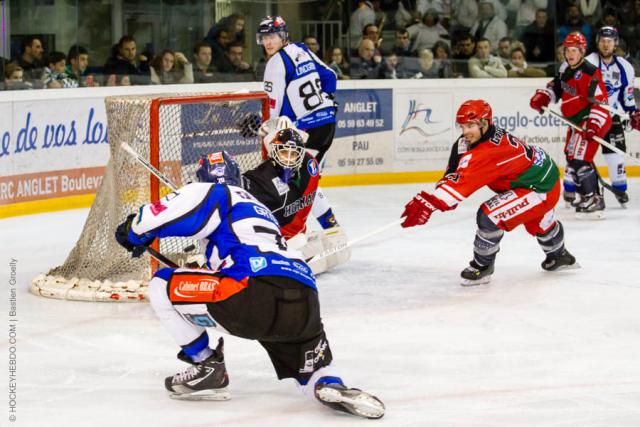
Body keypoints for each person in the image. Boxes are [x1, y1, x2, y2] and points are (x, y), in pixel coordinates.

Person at [113, 151, 384, 419]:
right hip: (303, 292)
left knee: (162, 285)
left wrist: (134, 233)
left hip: (251, 289)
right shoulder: (260, 208)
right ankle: (327, 383)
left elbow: (152, 218)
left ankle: (206, 365)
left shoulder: (213, 192)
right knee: (310, 363)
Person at [400, 100, 577, 286]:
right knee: (539, 223)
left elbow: (458, 186)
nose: (465, 132)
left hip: (540, 188)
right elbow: (453, 175)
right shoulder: (466, 143)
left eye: (470, 126)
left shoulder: (489, 151)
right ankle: (559, 256)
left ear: (485, 123)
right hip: (535, 179)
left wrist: (430, 203)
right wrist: (435, 200)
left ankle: (482, 267)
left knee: (489, 216)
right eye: (462, 126)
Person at [257, 15, 342, 230]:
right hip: (327, 123)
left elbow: (273, 109)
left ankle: (297, 232)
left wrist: (263, 126)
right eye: (264, 37)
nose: (268, 42)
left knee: (297, 180)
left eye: (272, 36)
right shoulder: (301, 49)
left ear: (283, 35)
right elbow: (330, 76)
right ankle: (330, 227)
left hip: (306, 129)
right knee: (306, 177)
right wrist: (325, 101)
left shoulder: (275, 63)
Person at [243, 118, 351, 274]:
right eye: (283, 151)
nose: (288, 157)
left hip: (298, 239)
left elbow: (314, 193)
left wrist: (332, 226)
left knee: (332, 245)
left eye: (293, 153)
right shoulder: (262, 177)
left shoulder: (309, 164)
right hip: (274, 245)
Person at [530, 32, 612, 219]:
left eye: (574, 50)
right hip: (577, 124)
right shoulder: (565, 68)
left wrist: (593, 124)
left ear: (582, 51)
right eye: (567, 50)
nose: (570, 53)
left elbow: (600, 101)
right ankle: (587, 196)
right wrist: (545, 96)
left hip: (591, 121)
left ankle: (594, 199)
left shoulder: (591, 72)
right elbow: (556, 87)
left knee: (580, 159)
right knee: (572, 156)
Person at [584, 26, 640, 206]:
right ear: (597, 42)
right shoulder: (588, 62)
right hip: (589, 116)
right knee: (580, 156)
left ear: (615, 43)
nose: (606, 44)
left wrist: (633, 113)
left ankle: (620, 190)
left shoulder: (625, 67)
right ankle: (576, 191)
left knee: (615, 155)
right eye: (602, 41)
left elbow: (627, 95)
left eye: (609, 41)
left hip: (612, 117)